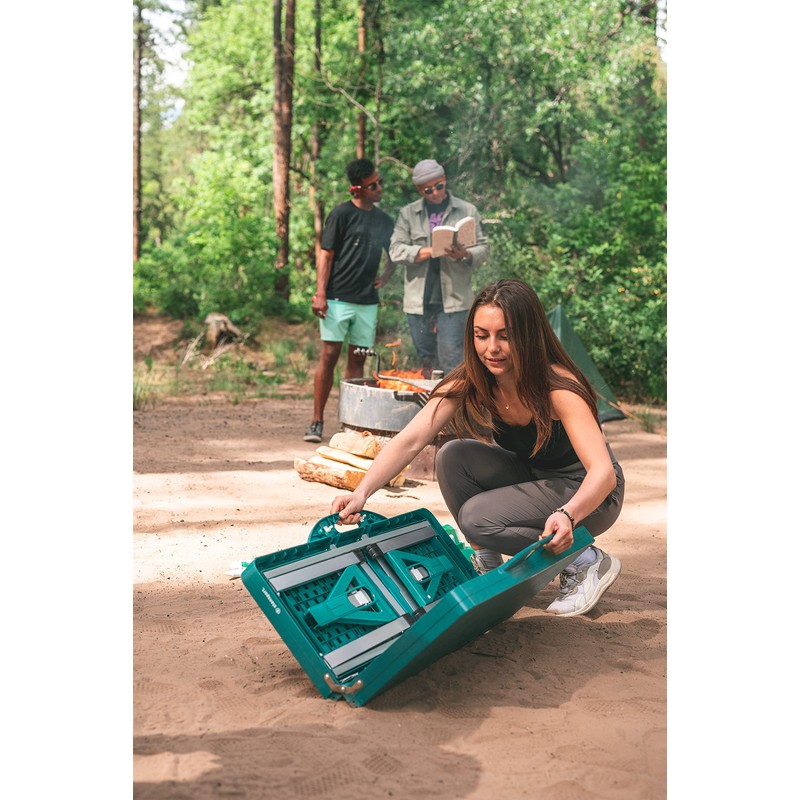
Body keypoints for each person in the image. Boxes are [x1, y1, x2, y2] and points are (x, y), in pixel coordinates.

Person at [330, 279, 625, 617]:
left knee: (476, 518)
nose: (492, 348)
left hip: (592, 493)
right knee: (453, 456)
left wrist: (568, 514)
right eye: (481, 335)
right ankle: (487, 560)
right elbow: (411, 439)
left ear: (528, 335)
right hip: (538, 478)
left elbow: (603, 473)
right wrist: (362, 491)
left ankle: (585, 559)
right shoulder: (475, 378)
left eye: (505, 335)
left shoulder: (557, 386)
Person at [304, 158, 396, 443]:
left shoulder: (383, 220)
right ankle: (316, 421)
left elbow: (394, 254)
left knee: (357, 362)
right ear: (356, 189)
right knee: (329, 356)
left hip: (367, 301)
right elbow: (326, 254)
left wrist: (386, 276)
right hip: (337, 298)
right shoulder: (340, 215)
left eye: (379, 182)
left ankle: (350, 423)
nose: (379, 188)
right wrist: (320, 293)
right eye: (373, 185)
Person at [388, 159, 489, 377]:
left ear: (444, 181)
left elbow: (484, 248)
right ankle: (428, 409)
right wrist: (430, 250)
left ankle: (455, 409)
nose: (434, 193)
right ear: (419, 190)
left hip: (454, 301)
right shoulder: (408, 214)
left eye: (439, 186)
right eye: (428, 190)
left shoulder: (466, 210)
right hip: (419, 302)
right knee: (426, 363)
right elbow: (395, 250)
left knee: (453, 363)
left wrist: (464, 254)